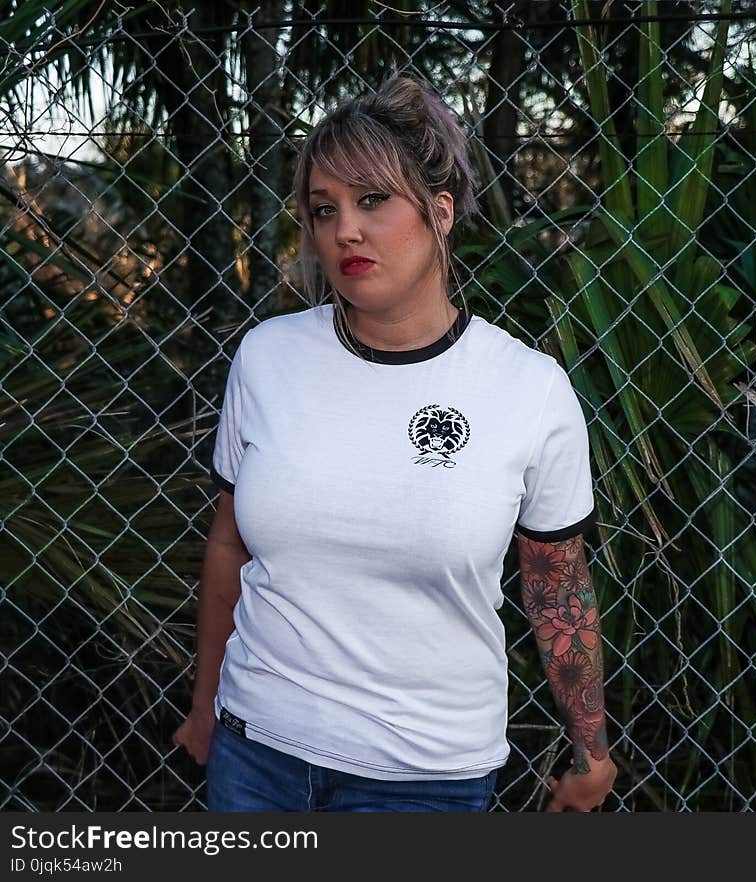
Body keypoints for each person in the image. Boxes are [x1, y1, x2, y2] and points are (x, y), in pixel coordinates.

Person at [172, 70, 617, 812]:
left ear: (440, 212)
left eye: (372, 200)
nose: (344, 229)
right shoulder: (267, 358)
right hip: (257, 754)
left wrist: (591, 750)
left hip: (425, 776)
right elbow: (229, 543)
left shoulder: (527, 389)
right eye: (324, 208)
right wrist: (205, 705)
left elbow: (557, 587)